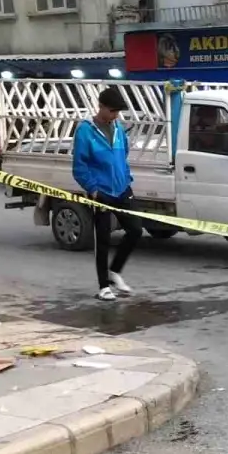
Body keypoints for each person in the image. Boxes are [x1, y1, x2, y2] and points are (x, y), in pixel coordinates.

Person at [73, 87, 142, 302]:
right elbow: (79, 165)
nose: (115, 116)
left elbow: (124, 156)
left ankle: (115, 272)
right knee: (102, 238)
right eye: (112, 111)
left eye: (117, 112)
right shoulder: (85, 130)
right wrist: (93, 189)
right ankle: (103, 285)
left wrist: (126, 177)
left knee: (135, 230)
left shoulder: (119, 128)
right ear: (101, 107)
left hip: (122, 188)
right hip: (100, 192)